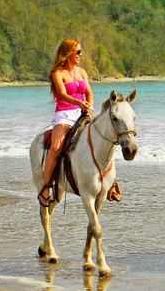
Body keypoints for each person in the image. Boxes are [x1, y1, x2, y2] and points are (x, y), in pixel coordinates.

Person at [38, 38, 94, 207]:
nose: (81, 54)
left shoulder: (82, 72)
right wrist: (78, 103)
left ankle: (111, 183)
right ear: (68, 53)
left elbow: (89, 93)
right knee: (55, 147)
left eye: (81, 51)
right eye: (78, 52)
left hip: (83, 111)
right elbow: (62, 94)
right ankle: (46, 187)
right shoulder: (58, 73)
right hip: (64, 114)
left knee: (103, 137)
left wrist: (89, 107)